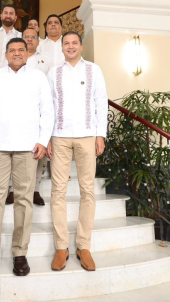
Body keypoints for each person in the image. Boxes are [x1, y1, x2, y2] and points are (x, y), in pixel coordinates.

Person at [0, 38, 54, 277]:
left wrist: (42, 139)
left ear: (27, 53)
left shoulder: (38, 77)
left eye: (21, 50)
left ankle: (20, 252)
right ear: (6, 55)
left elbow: (47, 111)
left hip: (29, 146)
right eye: (12, 50)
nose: (17, 53)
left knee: (24, 199)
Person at [47, 31, 108, 272]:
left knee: (87, 190)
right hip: (60, 135)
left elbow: (101, 102)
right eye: (66, 43)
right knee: (57, 191)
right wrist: (47, 137)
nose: (70, 47)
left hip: (86, 135)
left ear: (81, 46)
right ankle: (61, 247)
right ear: (61, 48)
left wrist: (100, 134)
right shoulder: (53, 72)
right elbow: (49, 106)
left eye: (74, 43)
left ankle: (84, 246)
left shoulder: (94, 70)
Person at [6, 28, 52, 206]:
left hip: (38, 111)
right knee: (12, 151)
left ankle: (35, 190)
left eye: (34, 37)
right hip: (15, 114)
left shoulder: (45, 61)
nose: (30, 39)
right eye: (27, 37)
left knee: (38, 154)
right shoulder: (12, 61)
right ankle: (11, 190)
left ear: (38, 41)